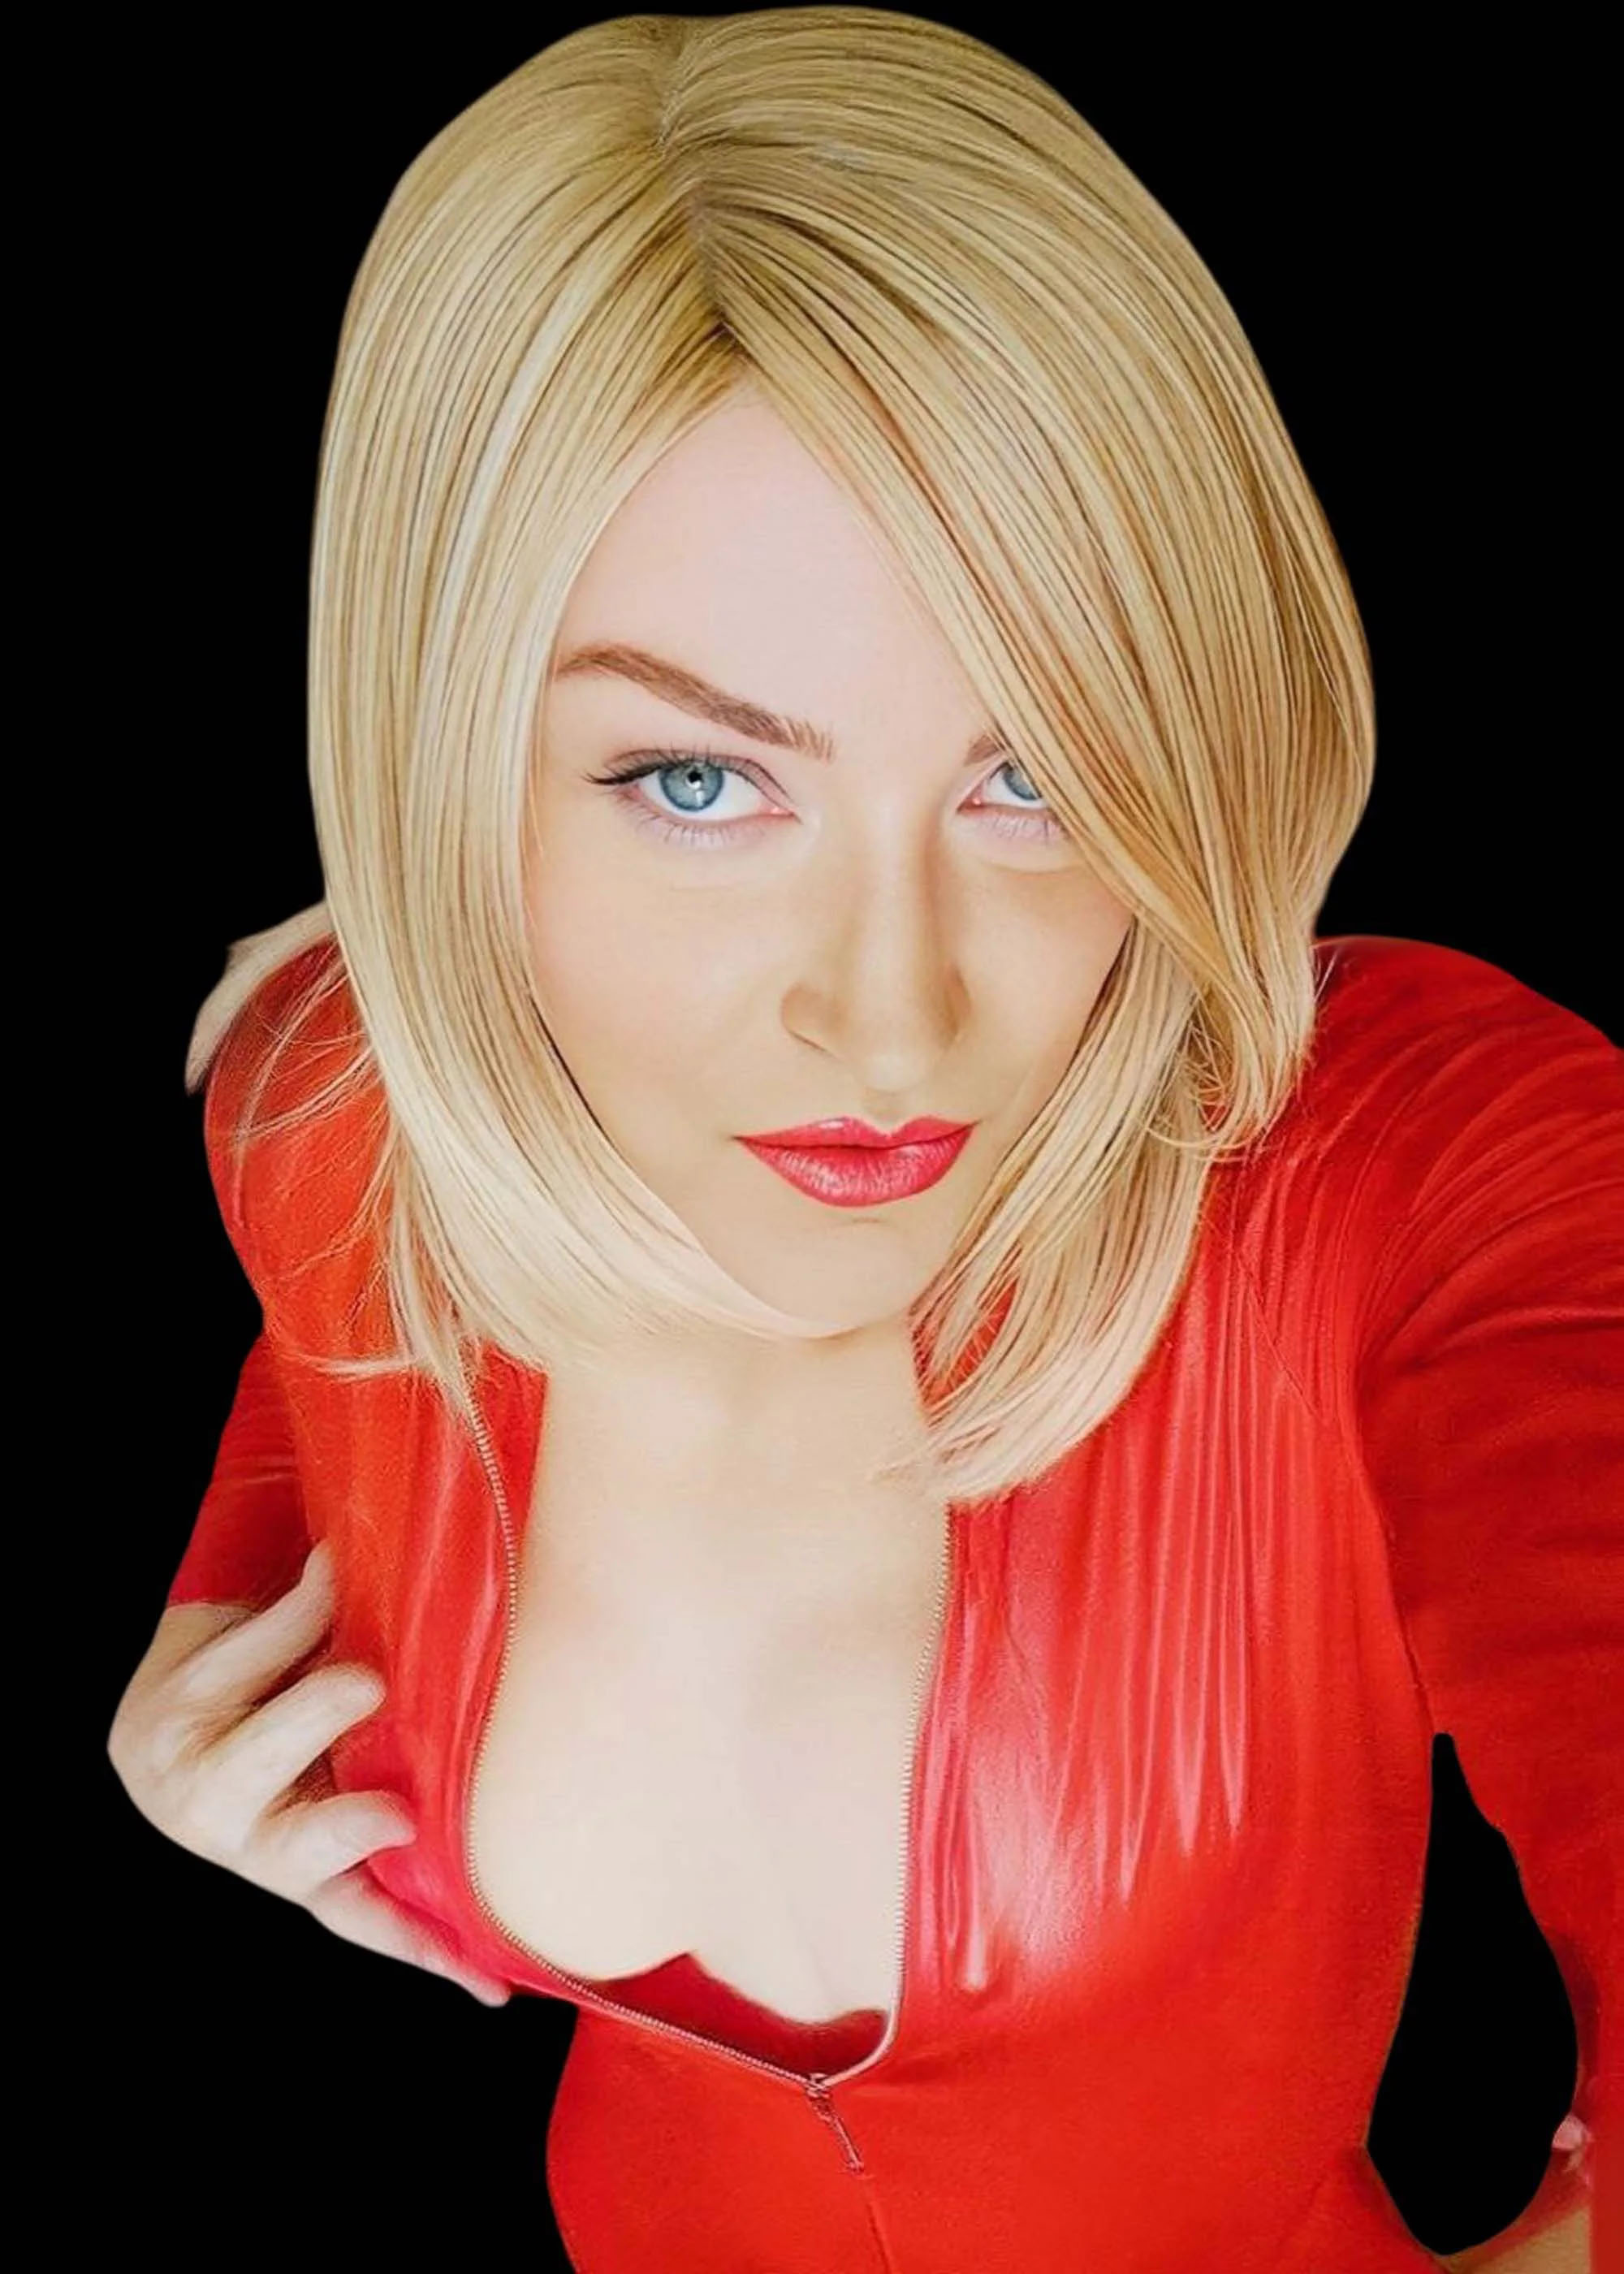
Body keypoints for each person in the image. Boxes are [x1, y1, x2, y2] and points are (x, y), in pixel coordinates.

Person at [106, 11, 1617, 2269]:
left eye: (1038, 776)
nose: (894, 1017)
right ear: (446, 777)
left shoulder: (1416, 1167)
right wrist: (212, 1650)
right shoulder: (337, 1094)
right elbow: (321, 1308)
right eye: (698, 782)